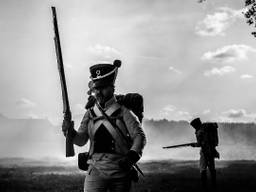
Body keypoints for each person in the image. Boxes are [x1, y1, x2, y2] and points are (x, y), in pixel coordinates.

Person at [62, 60, 146, 192]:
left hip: (120, 171)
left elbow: (139, 137)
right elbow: (81, 140)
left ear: (112, 88)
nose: (99, 92)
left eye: (103, 88)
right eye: (97, 88)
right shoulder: (90, 113)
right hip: (95, 170)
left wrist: (130, 158)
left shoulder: (124, 111)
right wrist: (70, 132)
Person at [190, 118, 219, 191]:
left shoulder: (200, 131)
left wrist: (194, 145)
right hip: (212, 150)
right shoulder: (206, 128)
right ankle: (214, 185)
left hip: (205, 151)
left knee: (203, 168)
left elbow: (200, 143)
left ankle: (204, 187)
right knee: (212, 169)